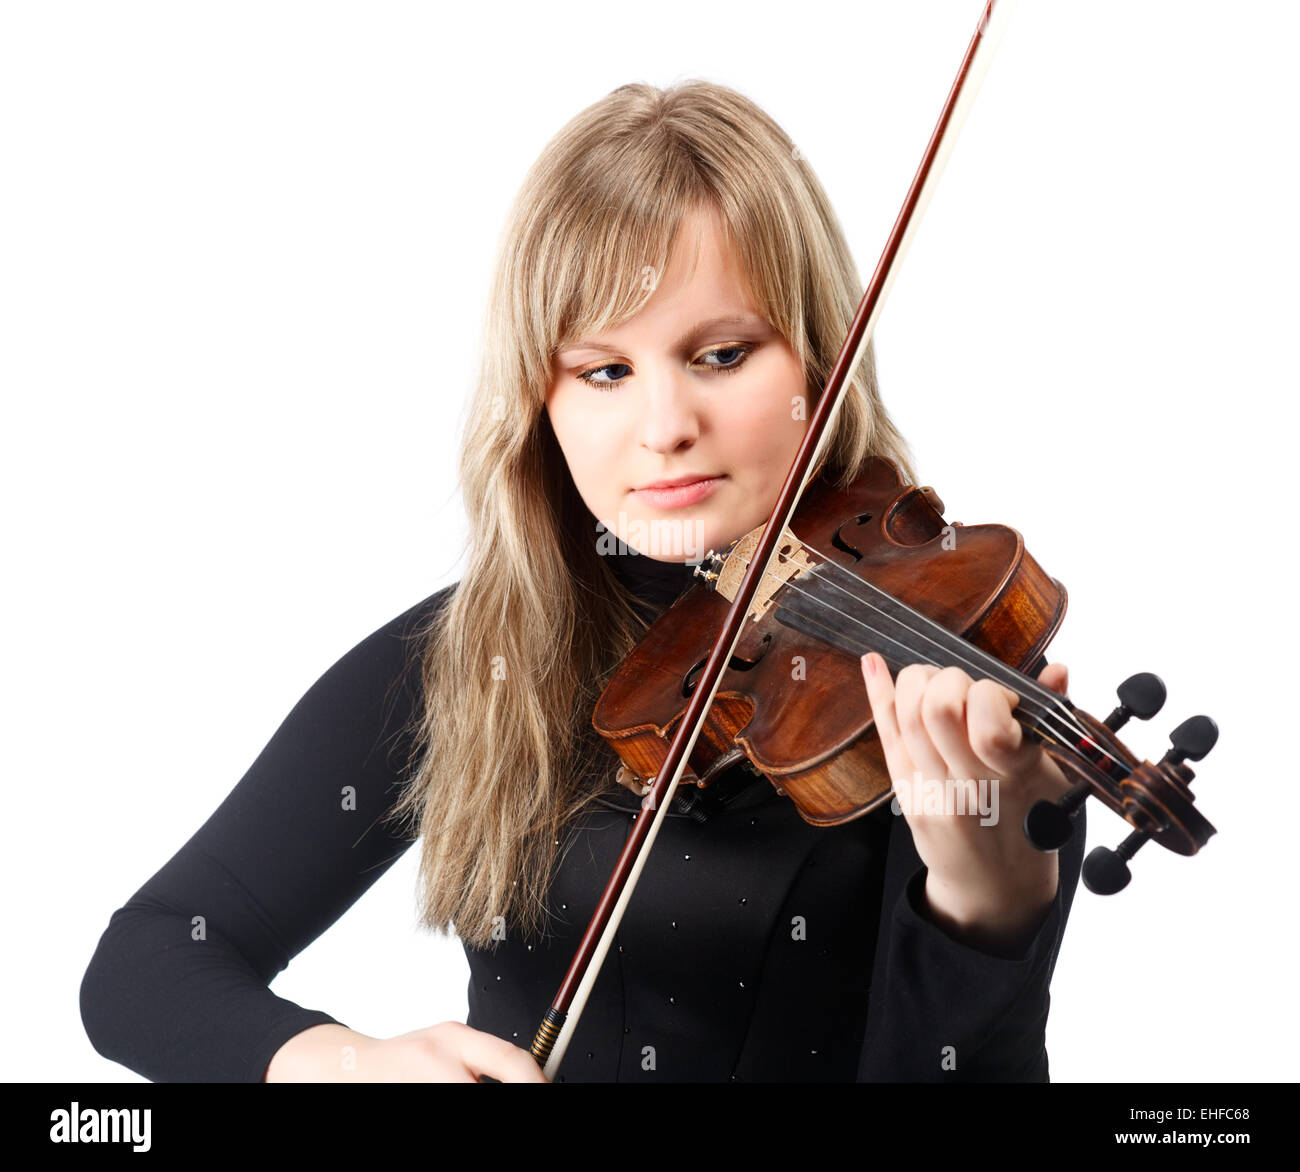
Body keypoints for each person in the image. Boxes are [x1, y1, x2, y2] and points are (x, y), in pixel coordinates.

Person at [79, 79, 1083, 1083]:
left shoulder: (945, 696)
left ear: (818, 364)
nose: (663, 426)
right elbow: (149, 959)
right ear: (538, 401)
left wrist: (982, 908)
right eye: (603, 371)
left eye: (721, 354)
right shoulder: (473, 655)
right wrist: (341, 1061)